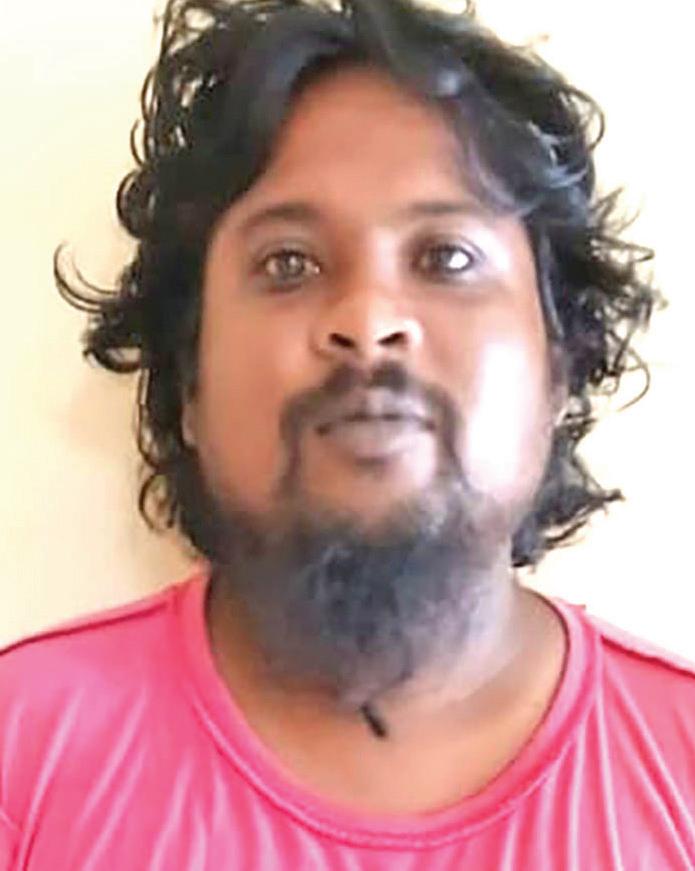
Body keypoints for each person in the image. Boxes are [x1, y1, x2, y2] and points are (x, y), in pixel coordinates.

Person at [1, 0, 691, 867]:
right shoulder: (20, 758)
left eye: (446, 257)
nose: (366, 321)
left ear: (559, 367)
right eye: (287, 262)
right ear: (189, 382)